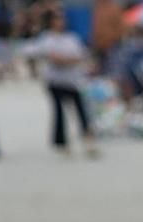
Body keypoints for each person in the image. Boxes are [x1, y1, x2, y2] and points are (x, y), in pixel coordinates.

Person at [31, 15, 96, 157]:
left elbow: (81, 55)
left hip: (73, 81)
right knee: (59, 112)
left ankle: (88, 139)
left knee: (81, 110)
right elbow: (52, 58)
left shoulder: (72, 38)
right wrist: (67, 60)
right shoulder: (47, 39)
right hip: (55, 81)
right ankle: (62, 143)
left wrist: (66, 60)